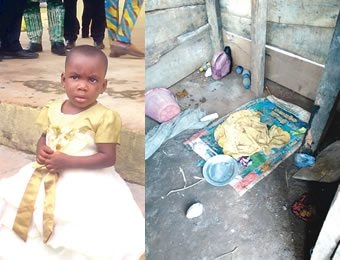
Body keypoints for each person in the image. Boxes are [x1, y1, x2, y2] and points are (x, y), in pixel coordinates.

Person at [0, 45, 145, 259]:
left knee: (77, 222)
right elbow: (44, 136)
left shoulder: (104, 117)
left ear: (103, 86)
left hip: (85, 178)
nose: (82, 86)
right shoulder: (52, 108)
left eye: (92, 80)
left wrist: (67, 161)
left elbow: (107, 157)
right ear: (63, 79)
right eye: (75, 77)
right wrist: (41, 151)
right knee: (27, 206)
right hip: (47, 170)